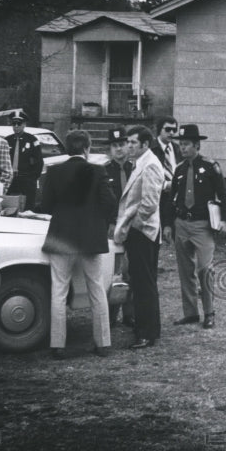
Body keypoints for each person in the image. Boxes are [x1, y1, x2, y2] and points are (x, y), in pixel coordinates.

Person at [37, 130, 117, 359]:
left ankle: (57, 344)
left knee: (59, 290)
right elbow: (109, 202)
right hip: (90, 237)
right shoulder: (97, 170)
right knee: (96, 288)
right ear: (87, 148)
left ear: (68, 149)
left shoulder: (54, 172)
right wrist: (96, 221)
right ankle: (102, 343)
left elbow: (47, 205)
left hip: (61, 235)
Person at [169, 124, 226, 330]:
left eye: (186, 144)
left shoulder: (210, 167)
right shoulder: (178, 170)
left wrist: (224, 219)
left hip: (202, 225)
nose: (182, 148)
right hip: (182, 224)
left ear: (197, 145)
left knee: (205, 269)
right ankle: (191, 313)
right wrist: (170, 224)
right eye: (180, 144)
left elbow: (224, 194)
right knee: (185, 270)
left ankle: (209, 312)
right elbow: (172, 199)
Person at [114, 125, 164, 350]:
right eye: (129, 142)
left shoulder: (151, 164)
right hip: (140, 231)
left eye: (134, 142)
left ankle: (146, 334)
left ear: (145, 144)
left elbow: (150, 203)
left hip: (143, 232)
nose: (129, 146)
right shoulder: (141, 163)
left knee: (144, 283)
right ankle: (148, 328)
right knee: (142, 281)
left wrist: (135, 226)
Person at [104, 126, 134, 327]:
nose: (119, 149)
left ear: (128, 146)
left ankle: (129, 314)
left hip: (133, 226)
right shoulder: (104, 171)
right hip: (113, 226)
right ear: (110, 149)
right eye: (115, 146)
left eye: (122, 144)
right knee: (114, 272)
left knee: (131, 271)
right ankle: (111, 314)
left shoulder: (135, 169)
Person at [150, 116, 182, 248]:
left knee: (179, 240)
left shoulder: (177, 149)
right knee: (154, 241)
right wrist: (164, 185)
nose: (171, 133)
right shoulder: (151, 149)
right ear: (159, 130)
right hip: (157, 198)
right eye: (168, 129)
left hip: (174, 198)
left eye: (174, 130)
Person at [5, 112, 44, 210]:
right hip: (10, 179)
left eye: (19, 124)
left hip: (26, 179)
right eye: (14, 124)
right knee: (8, 206)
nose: (16, 126)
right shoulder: (7, 140)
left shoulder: (32, 140)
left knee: (28, 207)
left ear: (24, 124)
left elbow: (39, 161)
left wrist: (32, 178)